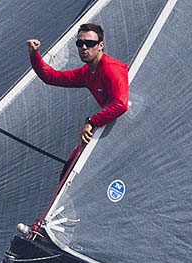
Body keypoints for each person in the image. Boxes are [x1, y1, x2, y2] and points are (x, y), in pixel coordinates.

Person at [27, 23, 128, 178]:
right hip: (114, 126)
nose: (84, 47)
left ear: (100, 45)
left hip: (131, 123)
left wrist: (91, 121)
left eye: (90, 43)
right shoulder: (86, 73)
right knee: (70, 166)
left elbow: (121, 104)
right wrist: (34, 55)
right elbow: (51, 77)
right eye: (80, 43)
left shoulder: (111, 68)